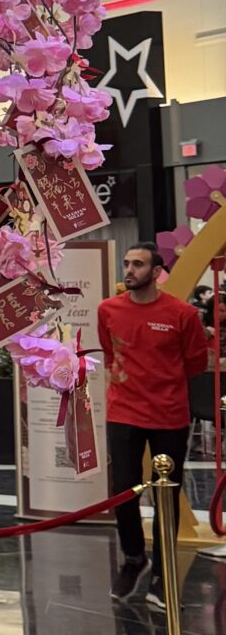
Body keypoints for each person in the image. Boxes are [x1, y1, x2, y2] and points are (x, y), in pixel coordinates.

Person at [100, 243, 209, 603]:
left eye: (138, 264)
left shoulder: (182, 314)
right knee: (123, 490)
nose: (129, 270)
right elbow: (110, 352)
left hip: (169, 415)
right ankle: (134, 559)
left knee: (166, 494)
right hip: (123, 412)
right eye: (127, 263)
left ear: (157, 272)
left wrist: (162, 382)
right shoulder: (108, 309)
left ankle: (163, 573)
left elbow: (195, 363)